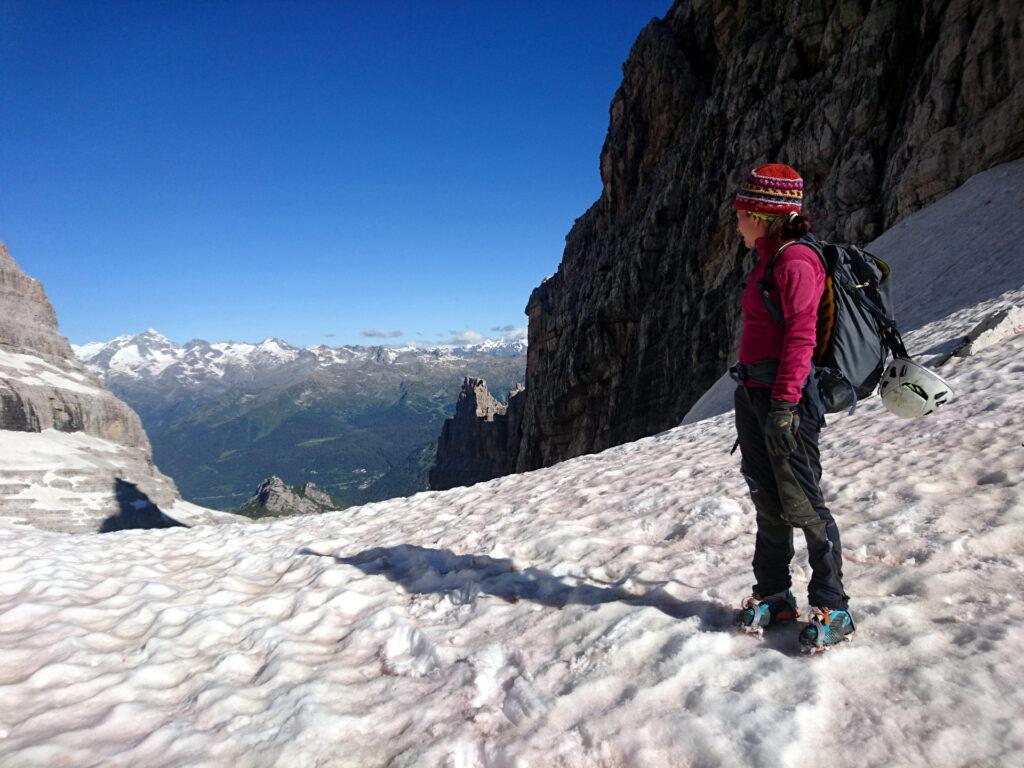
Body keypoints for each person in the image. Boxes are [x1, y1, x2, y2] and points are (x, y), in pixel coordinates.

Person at [730, 163, 854, 651]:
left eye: (741, 212)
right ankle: (775, 594)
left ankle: (834, 605)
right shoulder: (769, 257)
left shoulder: (794, 262)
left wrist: (784, 405)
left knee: (803, 500)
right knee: (768, 497)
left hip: (786, 402)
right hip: (755, 395)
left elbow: (802, 336)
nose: (736, 221)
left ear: (762, 213)